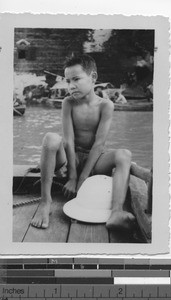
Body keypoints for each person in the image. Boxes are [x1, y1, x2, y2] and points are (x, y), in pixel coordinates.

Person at [31, 54, 135, 230]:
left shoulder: (106, 105)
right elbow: (69, 140)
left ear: (93, 77)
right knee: (51, 138)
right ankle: (45, 202)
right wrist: (72, 176)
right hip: (71, 158)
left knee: (124, 154)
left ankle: (116, 212)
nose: (71, 86)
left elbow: (99, 144)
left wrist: (83, 179)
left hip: (94, 160)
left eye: (76, 79)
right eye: (68, 81)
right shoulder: (68, 103)